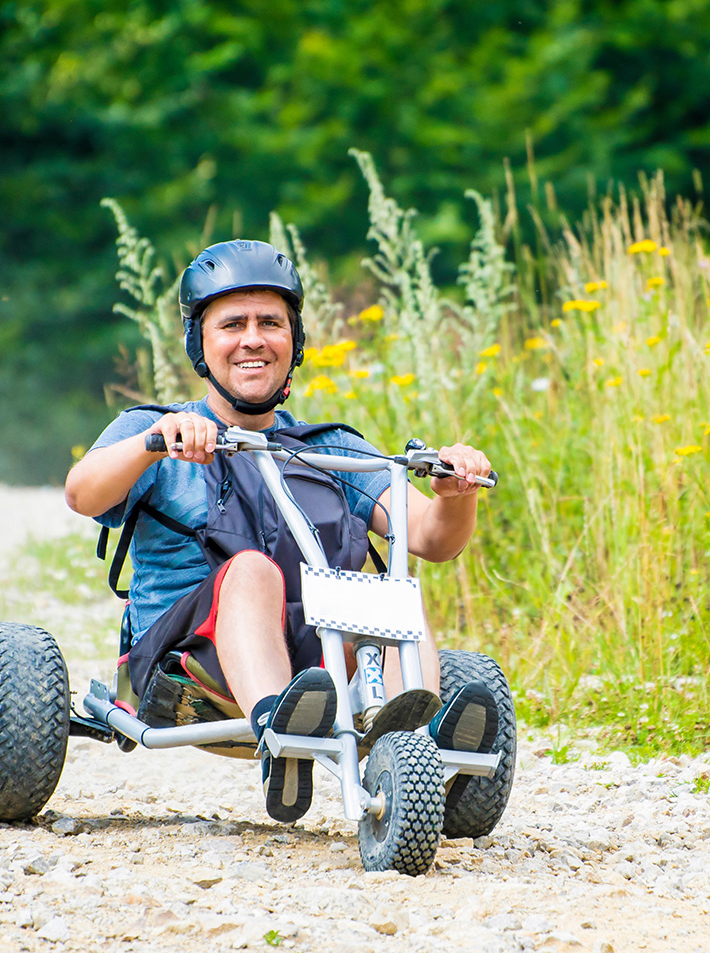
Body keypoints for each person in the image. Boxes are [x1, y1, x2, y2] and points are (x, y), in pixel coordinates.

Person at [65, 238, 496, 823]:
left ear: (293, 342)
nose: (253, 339)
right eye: (232, 324)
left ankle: (411, 745)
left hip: (311, 663)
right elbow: (81, 492)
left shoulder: (329, 449)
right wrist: (153, 444)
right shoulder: (156, 429)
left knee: (390, 593)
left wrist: (455, 494)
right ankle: (279, 732)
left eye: (270, 322)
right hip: (187, 665)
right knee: (249, 570)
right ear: (201, 342)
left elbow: (430, 538)